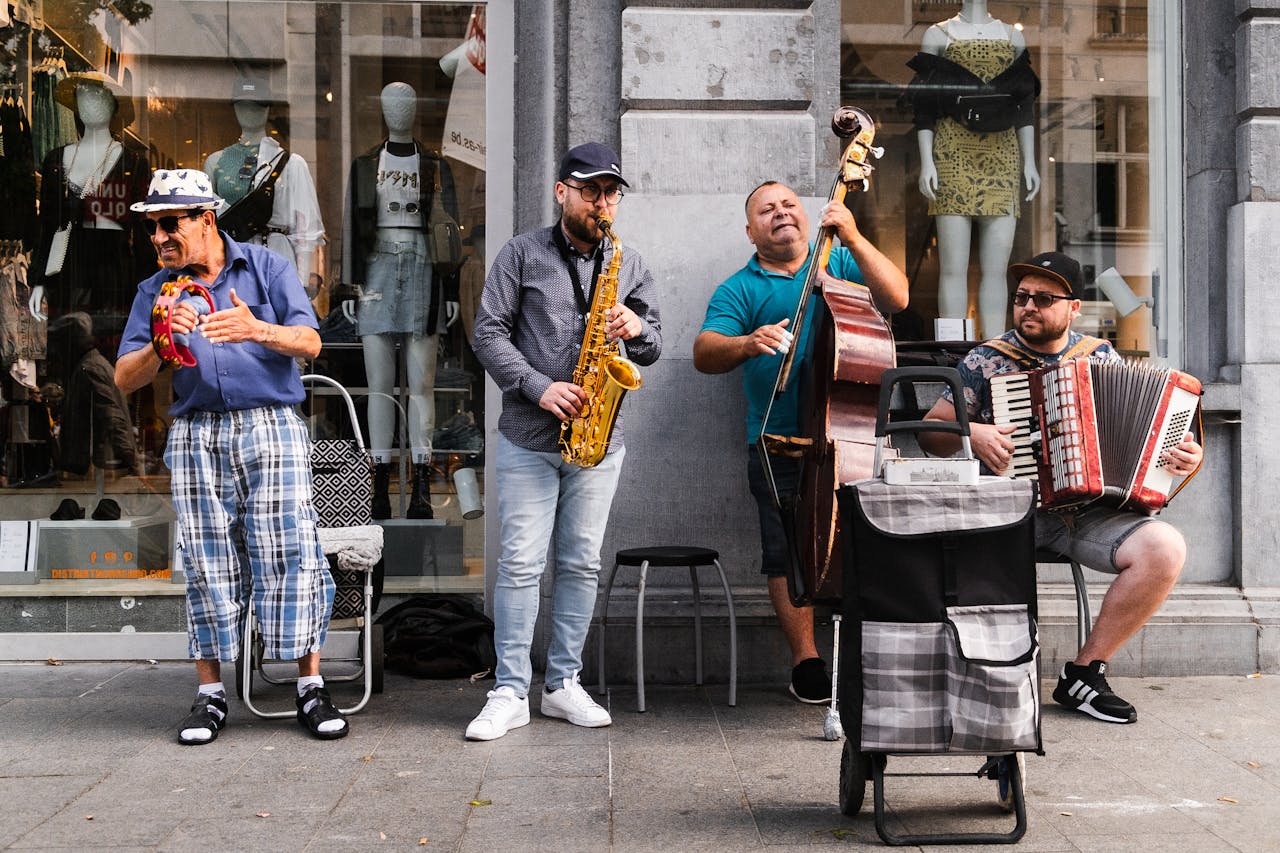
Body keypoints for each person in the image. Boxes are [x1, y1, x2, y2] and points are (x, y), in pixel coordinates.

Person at [919, 251, 1203, 724]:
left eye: (1044, 299)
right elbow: (931, 434)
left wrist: (1181, 458)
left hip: (1090, 513)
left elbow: (1150, 446)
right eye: (1022, 298)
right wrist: (975, 432)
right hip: (1010, 512)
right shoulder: (987, 360)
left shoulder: (1101, 357)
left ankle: (1084, 674)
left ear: (1074, 308)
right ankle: (988, 676)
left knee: (1165, 548)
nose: (1028, 306)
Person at [114, 169, 347, 745]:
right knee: (205, 556)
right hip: (195, 431)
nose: (160, 236)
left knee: (290, 547)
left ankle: (309, 688)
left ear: (206, 219)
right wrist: (161, 343)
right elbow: (123, 378)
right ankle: (211, 694)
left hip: (270, 425)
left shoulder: (265, 268)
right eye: (153, 227)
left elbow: (311, 341)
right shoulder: (156, 291)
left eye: (170, 224)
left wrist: (256, 327)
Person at [467, 142, 662, 740]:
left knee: (580, 563)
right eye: (590, 191)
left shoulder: (627, 264)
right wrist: (536, 386)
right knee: (522, 564)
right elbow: (487, 331)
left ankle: (562, 685)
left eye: (611, 193)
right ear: (562, 192)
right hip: (530, 434)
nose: (602, 203)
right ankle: (508, 690)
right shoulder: (522, 253)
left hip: (599, 443)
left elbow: (654, 343)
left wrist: (638, 327)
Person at [693, 181, 909, 703]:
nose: (780, 213)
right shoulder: (738, 289)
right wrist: (747, 342)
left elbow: (897, 297)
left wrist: (854, 236)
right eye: (766, 210)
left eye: (789, 204)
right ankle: (806, 659)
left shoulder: (838, 262)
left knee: (866, 546)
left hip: (852, 437)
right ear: (751, 231)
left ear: (807, 217)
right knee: (785, 552)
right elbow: (704, 351)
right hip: (778, 441)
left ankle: (869, 652)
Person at [341, 82, 460, 520]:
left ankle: (423, 480)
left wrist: (448, 287)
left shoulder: (434, 165)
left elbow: (449, 232)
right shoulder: (366, 163)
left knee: (421, 383)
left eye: (407, 103)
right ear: (383, 110)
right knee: (379, 384)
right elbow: (352, 224)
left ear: (415, 110)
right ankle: (379, 478)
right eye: (392, 103)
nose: (400, 110)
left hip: (424, 267)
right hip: (376, 268)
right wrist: (349, 284)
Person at [902, 0, 1040, 339]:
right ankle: (953, 349)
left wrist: (1030, 162)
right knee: (952, 268)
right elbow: (925, 107)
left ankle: (995, 351)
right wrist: (927, 163)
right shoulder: (938, 34)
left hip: (1002, 156)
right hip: (952, 154)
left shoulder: (1012, 37)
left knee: (995, 271)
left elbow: (1024, 109)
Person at [204, 74, 325, 286]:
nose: (250, 112)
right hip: (229, 258)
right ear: (234, 108)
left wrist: (302, 283)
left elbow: (305, 232)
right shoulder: (215, 162)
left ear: (268, 109)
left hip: (276, 254)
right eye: (243, 105)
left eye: (257, 106)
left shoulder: (292, 164)